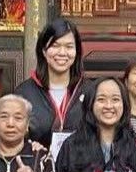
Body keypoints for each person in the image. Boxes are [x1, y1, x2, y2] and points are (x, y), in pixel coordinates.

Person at [15, 18, 92, 156]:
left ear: (77, 52)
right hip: (36, 170)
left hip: (79, 171)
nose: (62, 53)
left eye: (69, 47)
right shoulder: (24, 93)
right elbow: (13, 137)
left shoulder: (90, 90)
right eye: (55, 46)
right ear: (44, 51)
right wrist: (27, 146)